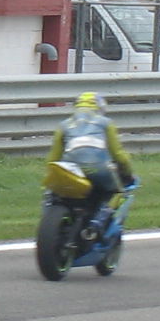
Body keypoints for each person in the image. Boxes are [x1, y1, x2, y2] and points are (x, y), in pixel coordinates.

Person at [45, 92, 136, 236]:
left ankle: (48, 215)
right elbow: (118, 154)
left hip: (71, 171)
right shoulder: (105, 123)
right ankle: (98, 222)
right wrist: (128, 172)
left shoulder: (63, 125)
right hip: (100, 169)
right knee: (117, 191)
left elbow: (53, 158)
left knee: (52, 194)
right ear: (100, 107)